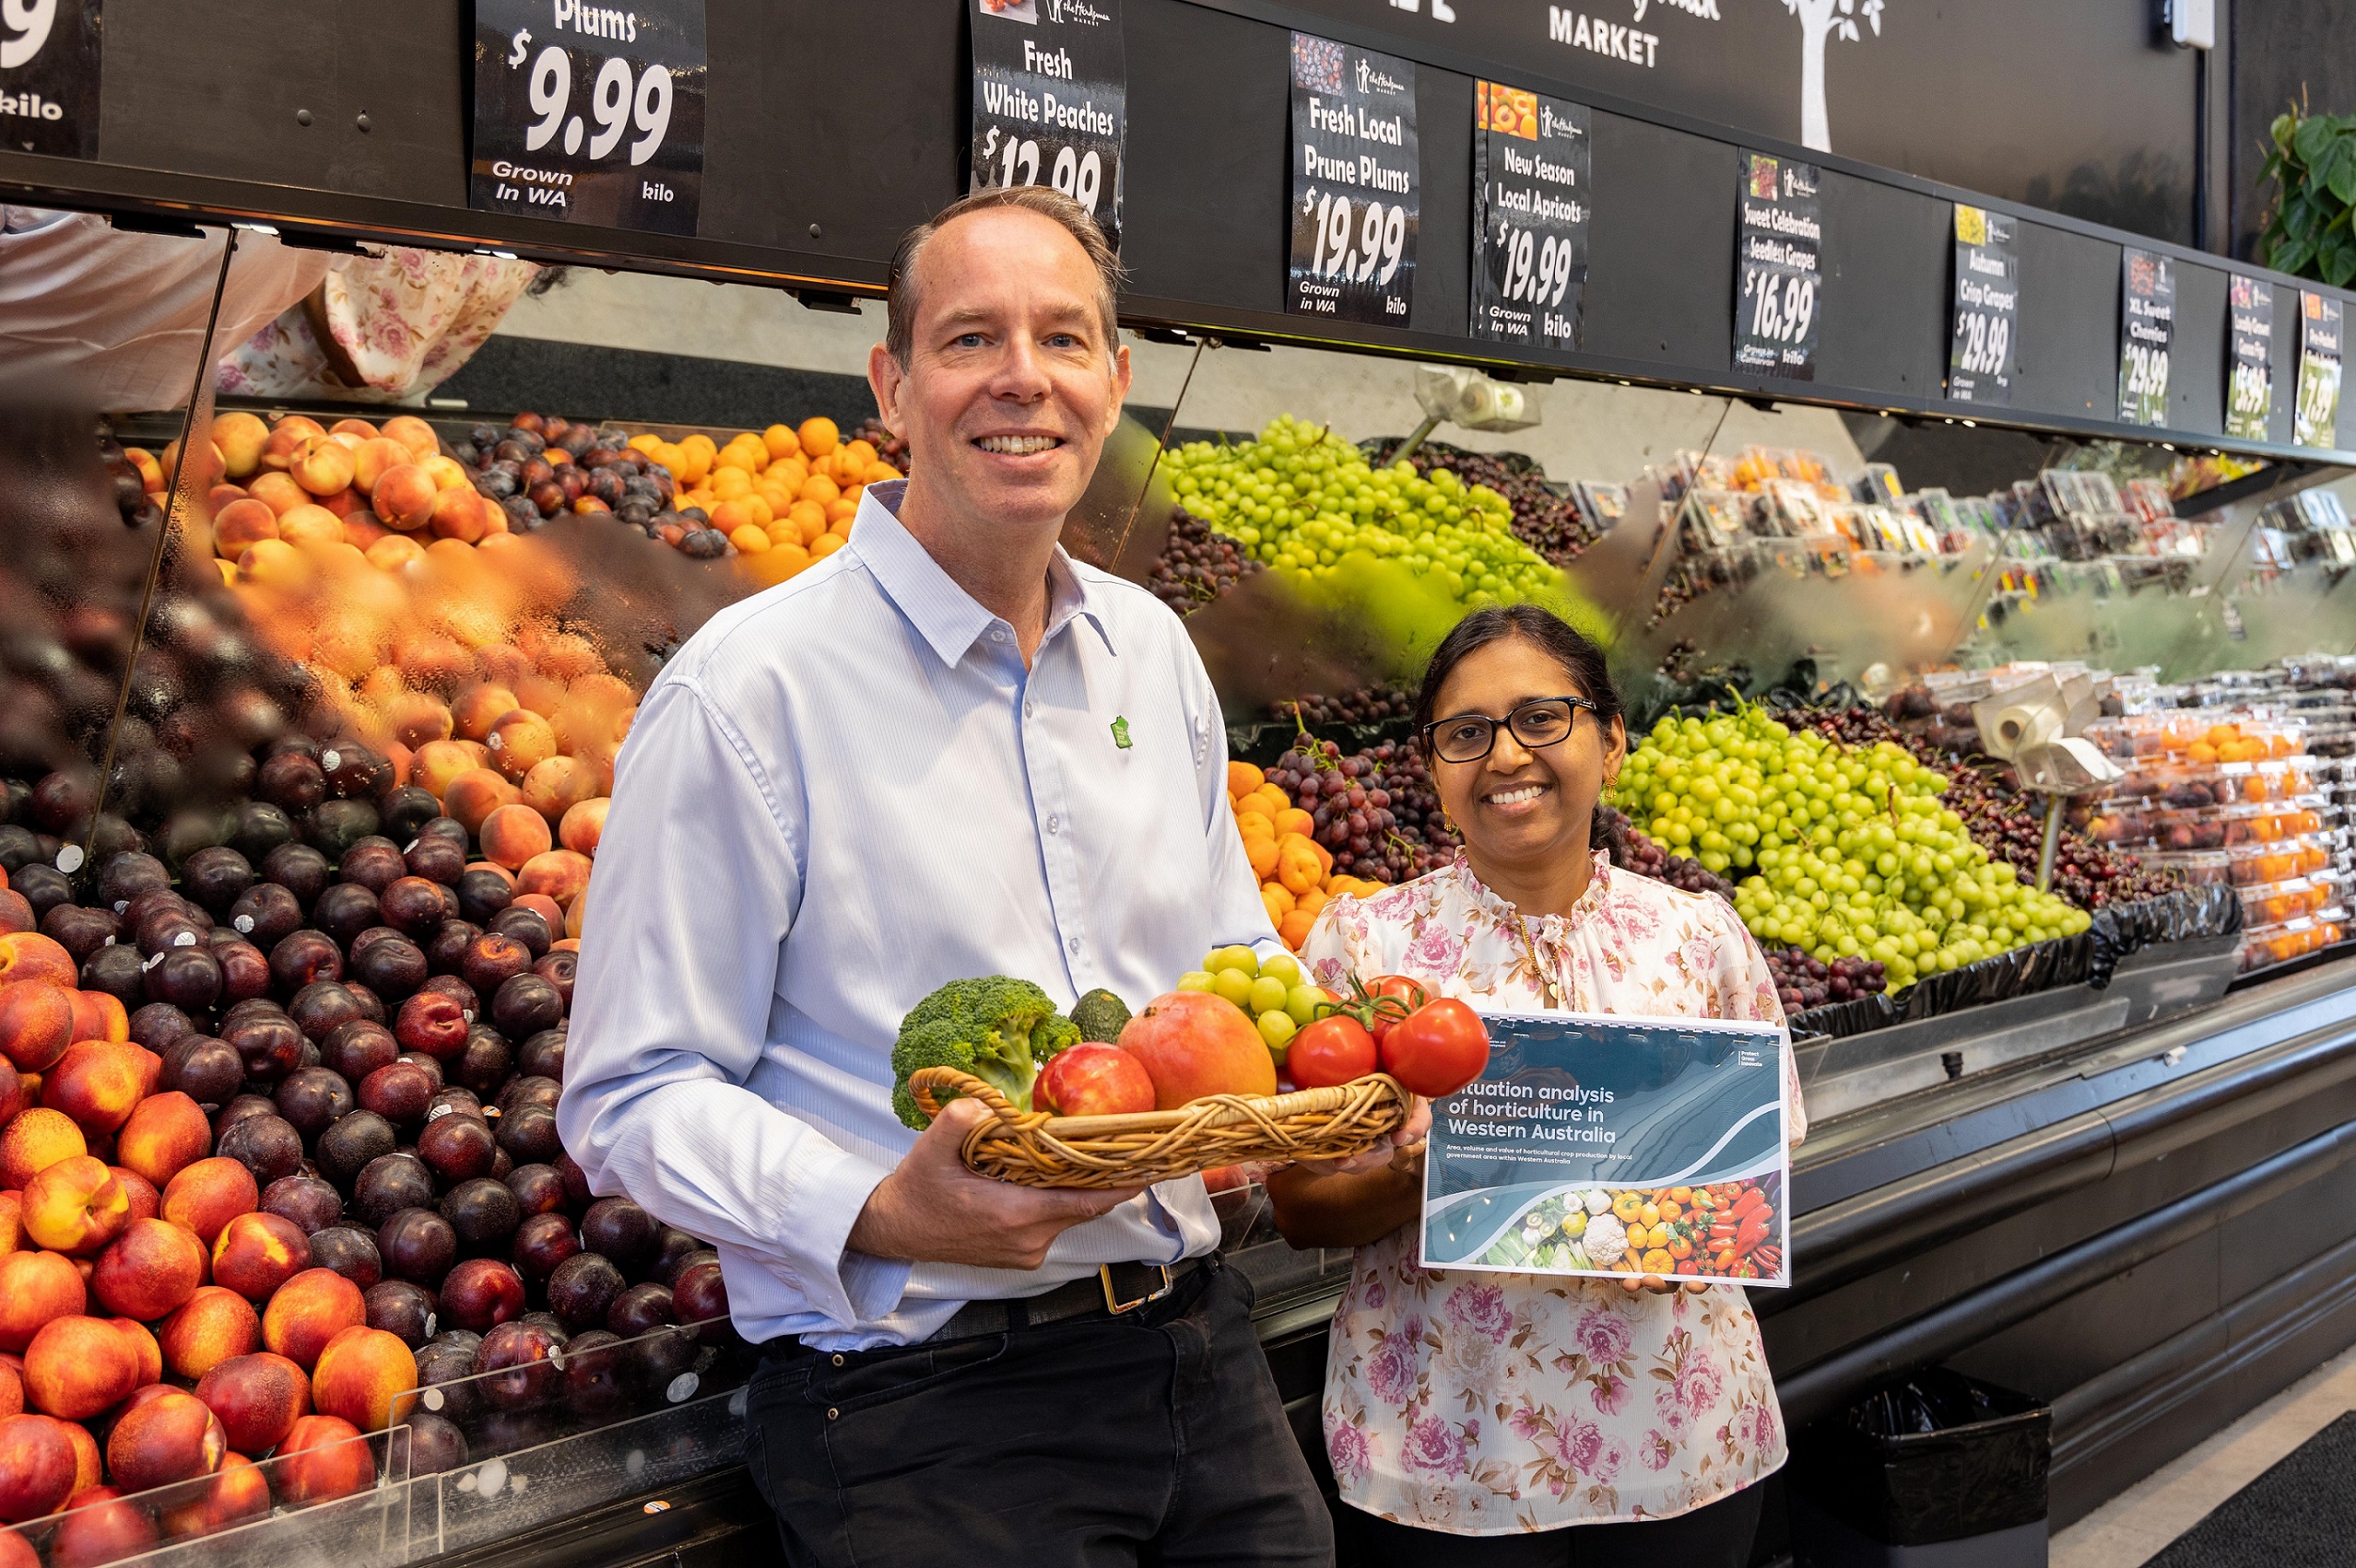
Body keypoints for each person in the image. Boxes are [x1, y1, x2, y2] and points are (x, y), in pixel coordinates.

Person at [557, 186, 1371, 1568]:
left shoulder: (1156, 653)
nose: (1021, 378)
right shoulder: (750, 691)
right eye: (968, 337)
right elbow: (630, 1094)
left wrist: (1337, 1084)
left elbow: (1234, 959)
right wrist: (879, 1208)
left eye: (1063, 338)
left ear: (1114, 383)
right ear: (891, 386)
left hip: (1196, 1349)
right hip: (918, 1409)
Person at [1265, 604, 1805, 1566]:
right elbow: (1301, 1204)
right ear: (1433, 769)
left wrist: (1697, 1214)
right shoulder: (1365, 947)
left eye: (1541, 718)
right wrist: (1431, 1175)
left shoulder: (1699, 935)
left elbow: (1754, 1172)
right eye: (1465, 734)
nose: (1505, 755)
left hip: (1681, 1436)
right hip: (1446, 1451)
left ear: (1611, 739)